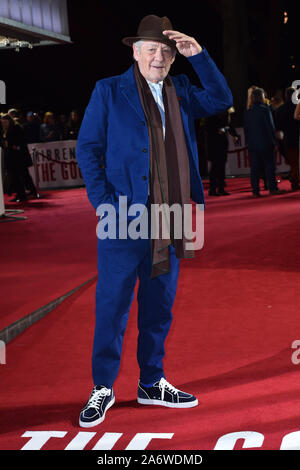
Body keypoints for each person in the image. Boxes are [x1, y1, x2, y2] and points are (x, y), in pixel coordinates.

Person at [76, 15, 233, 428]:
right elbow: (88, 149)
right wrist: (102, 202)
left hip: (172, 213)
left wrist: (198, 57)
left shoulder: (181, 89)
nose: (158, 57)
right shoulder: (108, 90)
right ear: (135, 52)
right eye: (151, 49)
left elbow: (220, 98)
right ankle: (103, 387)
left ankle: (151, 382)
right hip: (121, 215)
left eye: (165, 51)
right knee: (112, 305)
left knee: (159, 304)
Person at [244, 88, 284, 197]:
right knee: (269, 166)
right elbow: (270, 127)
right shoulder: (265, 110)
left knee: (255, 168)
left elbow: (246, 130)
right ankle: (272, 188)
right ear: (261, 97)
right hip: (266, 143)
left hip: (253, 144)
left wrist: (248, 143)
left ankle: (255, 191)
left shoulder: (248, 112)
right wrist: (274, 142)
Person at [206, 108, 240, 196]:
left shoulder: (224, 115)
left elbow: (229, 126)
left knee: (221, 167)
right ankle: (212, 189)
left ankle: (221, 188)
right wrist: (224, 129)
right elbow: (210, 129)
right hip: (214, 146)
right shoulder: (211, 115)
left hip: (222, 145)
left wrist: (235, 135)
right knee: (214, 168)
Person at [275, 87, 300, 190]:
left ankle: (294, 180)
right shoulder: (297, 107)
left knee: (294, 162)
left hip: (288, 139)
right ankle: (294, 180)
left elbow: (277, 125)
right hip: (297, 137)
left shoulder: (281, 109)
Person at [0, 114, 28, 202]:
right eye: (2, 122)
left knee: (18, 177)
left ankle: (22, 195)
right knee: (15, 177)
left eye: (5, 122)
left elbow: (21, 140)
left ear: (9, 121)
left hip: (16, 157)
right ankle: (19, 195)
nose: (4, 124)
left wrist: (16, 146)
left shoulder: (15, 127)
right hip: (10, 156)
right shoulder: (5, 129)